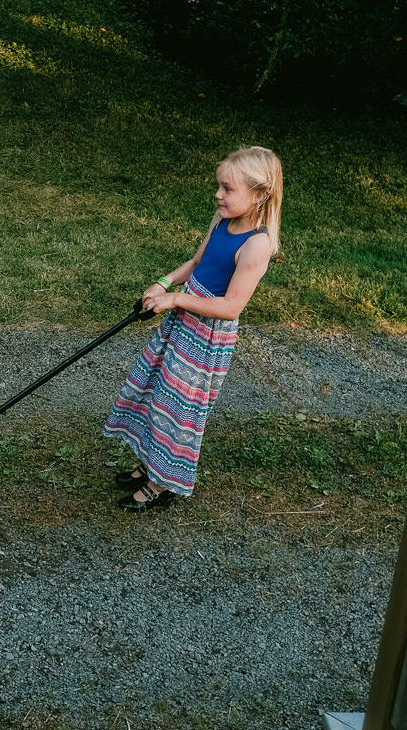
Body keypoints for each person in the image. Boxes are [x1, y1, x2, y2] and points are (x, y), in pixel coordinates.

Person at [104, 145, 283, 511]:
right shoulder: (223, 222)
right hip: (183, 321)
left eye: (228, 189)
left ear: (260, 194)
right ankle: (150, 463)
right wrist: (164, 283)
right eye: (219, 186)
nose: (218, 194)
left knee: (180, 409)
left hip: (206, 338)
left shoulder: (257, 245)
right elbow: (198, 262)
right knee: (158, 393)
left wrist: (176, 300)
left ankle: (161, 484)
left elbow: (231, 307)